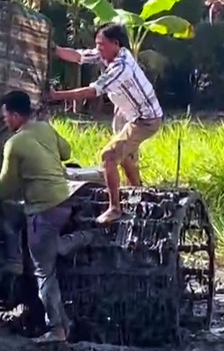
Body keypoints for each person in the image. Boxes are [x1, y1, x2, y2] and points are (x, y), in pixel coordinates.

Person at [0, 90, 73, 344]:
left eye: (6, 117)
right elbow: (66, 152)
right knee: (45, 254)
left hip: (43, 208)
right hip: (65, 201)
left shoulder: (14, 143)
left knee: (44, 271)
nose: (5, 122)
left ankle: (57, 329)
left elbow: (3, 188)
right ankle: (74, 242)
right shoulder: (45, 128)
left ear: (15, 115)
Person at [50, 23, 163, 224]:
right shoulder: (109, 54)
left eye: (101, 45)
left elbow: (93, 91)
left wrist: (56, 95)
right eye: (97, 45)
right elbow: (78, 56)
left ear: (115, 44)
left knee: (108, 156)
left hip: (145, 119)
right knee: (126, 156)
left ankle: (115, 208)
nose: (98, 49)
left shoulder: (122, 67)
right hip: (129, 114)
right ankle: (138, 194)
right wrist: (55, 50)